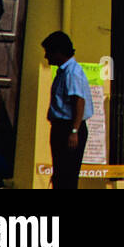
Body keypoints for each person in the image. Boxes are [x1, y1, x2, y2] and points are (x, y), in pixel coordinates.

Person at [41, 31, 93, 190]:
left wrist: (74, 131)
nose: (46, 57)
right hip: (61, 127)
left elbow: (79, 101)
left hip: (68, 127)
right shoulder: (64, 71)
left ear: (58, 52)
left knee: (67, 176)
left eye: (48, 52)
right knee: (60, 174)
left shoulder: (72, 73)